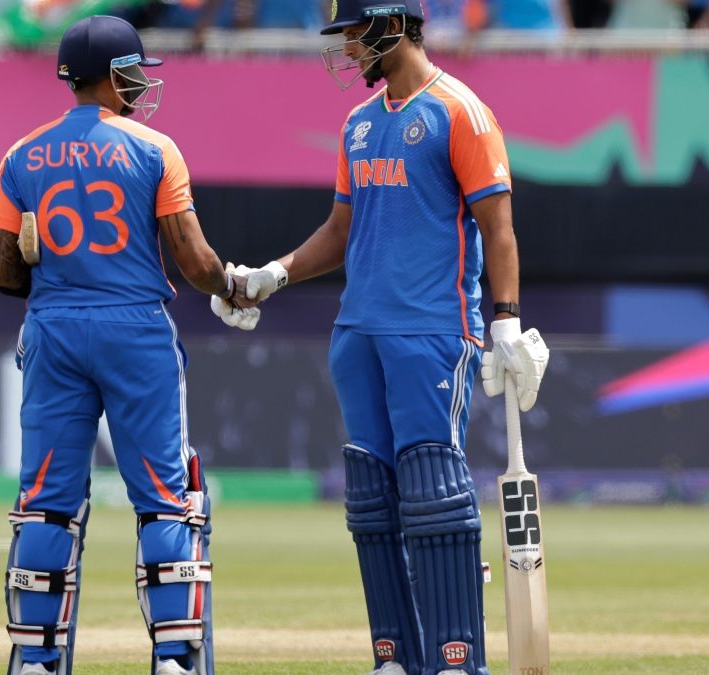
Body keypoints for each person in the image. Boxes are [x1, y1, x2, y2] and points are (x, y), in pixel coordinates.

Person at [230, 1, 550, 673]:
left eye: (355, 32)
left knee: (433, 490)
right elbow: (341, 232)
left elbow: (499, 227)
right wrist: (275, 273)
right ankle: (395, 655)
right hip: (359, 330)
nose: (347, 47)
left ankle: (456, 657)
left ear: (395, 27)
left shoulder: (460, 110)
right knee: (374, 501)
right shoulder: (357, 125)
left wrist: (507, 319)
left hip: (433, 330)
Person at [0, 15, 257, 675]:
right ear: (111, 76)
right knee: (165, 495)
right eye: (133, 73)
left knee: (47, 500)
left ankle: (36, 660)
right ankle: (174, 658)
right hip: (135, 328)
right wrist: (228, 287)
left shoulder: (23, 155)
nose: (139, 85)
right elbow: (191, 257)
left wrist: (45, 266)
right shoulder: (154, 148)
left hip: (54, 326)